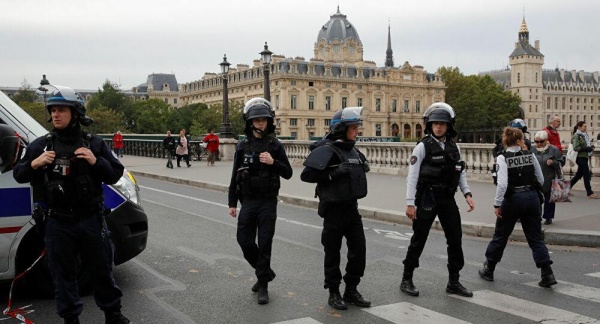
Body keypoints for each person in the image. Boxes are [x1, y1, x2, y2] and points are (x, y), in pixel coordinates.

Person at [12, 85, 130, 324]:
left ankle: (113, 314)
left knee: (102, 270)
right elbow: (19, 174)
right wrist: (35, 163)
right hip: (58, 221)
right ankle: (70, 319)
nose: (55, 115)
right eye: (53, 110)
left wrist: (96, 162)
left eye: (62, 110)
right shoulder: (41, 146)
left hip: (91, 218)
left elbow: (115, 174)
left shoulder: (93, 143)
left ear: (75, 113)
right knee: (62, 274)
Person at [400, 102, 475, 298]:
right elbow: (412, 176)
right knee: (419, 239)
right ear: (430, 126)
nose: (439, 127)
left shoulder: (454, 146)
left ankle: (454, 281)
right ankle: (407, 278)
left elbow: (460, 172)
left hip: (447, 198)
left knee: (455, 239)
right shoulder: (422, 147)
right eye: (435, 124)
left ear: (448, 125)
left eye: (442, 123)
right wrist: (410, 203)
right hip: (427, 197)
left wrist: (467, 194)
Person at [301, 108, 372, 311]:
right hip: (333, 211)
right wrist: (333, 174)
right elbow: (306, 175)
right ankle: (334, 292)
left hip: (352, 209)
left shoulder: (354, 150)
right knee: (332, 253)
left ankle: (351, 289)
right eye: (353, 127)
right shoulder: (327, 150)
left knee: (359, 252)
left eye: (357, 127)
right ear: (341, 129)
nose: (357, 131)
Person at [228, 98, 293, 305]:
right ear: (249, 122)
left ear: (269, 121)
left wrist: (274, 163)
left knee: (265, 243)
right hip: (247, 200)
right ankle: (264, 272)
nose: (260, 124)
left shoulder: (275, 145)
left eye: (263, 120)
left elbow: (289, 172)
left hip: (267, 202)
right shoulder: (242, 145)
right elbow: (234, 176)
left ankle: (263, 284)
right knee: (244, 241)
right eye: (256, 120)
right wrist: (232, 203)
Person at [478, 127, 557, 288]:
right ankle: (547, 272)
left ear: (505, 140)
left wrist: (497, 203)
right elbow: (540, 179)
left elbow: (502, 184)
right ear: (520, 140)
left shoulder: (502, 158)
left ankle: (489, 269)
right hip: (532, 198)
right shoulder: (531, 155)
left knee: (501, 235)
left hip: (513, 199)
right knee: (535, 237)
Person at [533, 131, 565, 225]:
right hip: (536, 178)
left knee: (549, 199)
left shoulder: (553, 149)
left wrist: (553, 163)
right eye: (537, 141)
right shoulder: (532, 150)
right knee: (536, 198)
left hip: (549, 177)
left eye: (541, 141)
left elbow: (561, 162)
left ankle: (548, 217)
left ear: (546, 140)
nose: (539, 144)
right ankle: (537, 216)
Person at [492, 119, 531, 185]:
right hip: (505, 167)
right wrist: (496, 157)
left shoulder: (527, 142)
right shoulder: (505, 140)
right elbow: (495, 149)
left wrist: (526, 152)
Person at [570, 121, 599, 199]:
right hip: (580, 157)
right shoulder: (577, 136)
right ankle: (589, 193)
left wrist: (590, 147)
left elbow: (584, 145)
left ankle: (566, 188)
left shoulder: (584, 135)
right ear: (579, 127)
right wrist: (587, 148)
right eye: (584, 126)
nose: (586, 128)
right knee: (586, 174)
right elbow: (576, 147)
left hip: (584, 157)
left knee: (579, 174)